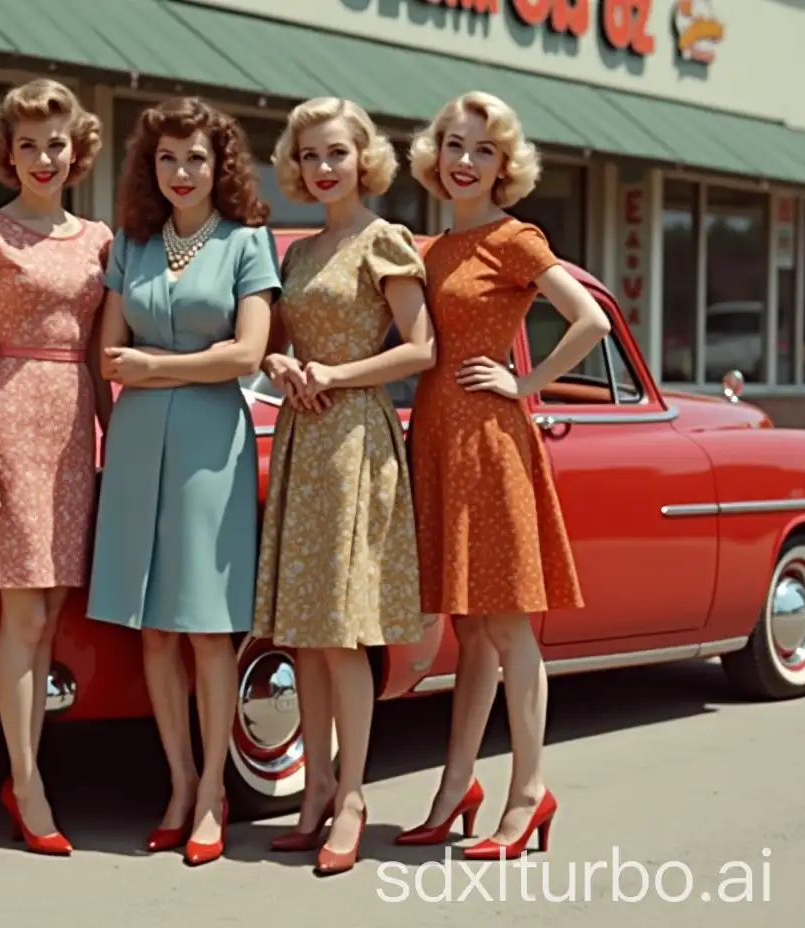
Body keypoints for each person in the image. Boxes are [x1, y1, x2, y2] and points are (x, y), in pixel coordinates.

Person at [397, 91, 610, 859]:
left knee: (507, 623)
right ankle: (457, 787)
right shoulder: (427, 249)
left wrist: (528, 383)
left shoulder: (514, 238)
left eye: (483, 150)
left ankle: (528, 792)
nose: (463, 161)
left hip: (490, 437)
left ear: (505, 164)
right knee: (466, 627)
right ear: (434, 154)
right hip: (434, 437)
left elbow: (590, 318)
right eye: (454, 144)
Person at [85, 96, 281, 867]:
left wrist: (156, 369)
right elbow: (107, 354)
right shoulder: (132, 245)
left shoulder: (245, 243)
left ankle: (212, 793)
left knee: (205, 627)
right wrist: (131, 383)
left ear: (220, 162)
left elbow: (247, 353)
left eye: (195, 158)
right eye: (167, 158)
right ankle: (177, 783)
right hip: (135, 443)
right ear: (150, 165)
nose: (181, 172)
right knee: (154, 629)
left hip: (210, 442)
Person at [253, 97, 437, 877]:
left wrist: (338, 372)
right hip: (302, 433)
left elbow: (420, 349)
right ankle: (316, 784)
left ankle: (354, 793)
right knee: (305, 629)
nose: (323, 168)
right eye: (309, 156)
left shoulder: (382, 238)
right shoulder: (296, 253)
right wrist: (280, 364)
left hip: (357, 435)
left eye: (336, 153)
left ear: (365, 159)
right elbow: (274, 344)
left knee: (343, 627)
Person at [0, 79, 114, 856]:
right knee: (22, 615)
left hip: (75, 422)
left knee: (50, 613)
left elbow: (99, 353)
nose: (44, 158)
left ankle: (29, 767)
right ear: (6, 153)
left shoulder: (100, 239)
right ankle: (26, 779)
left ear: (77, 149)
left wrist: (116, 438)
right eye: (28, 145)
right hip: (11, 409)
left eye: (56, 143)